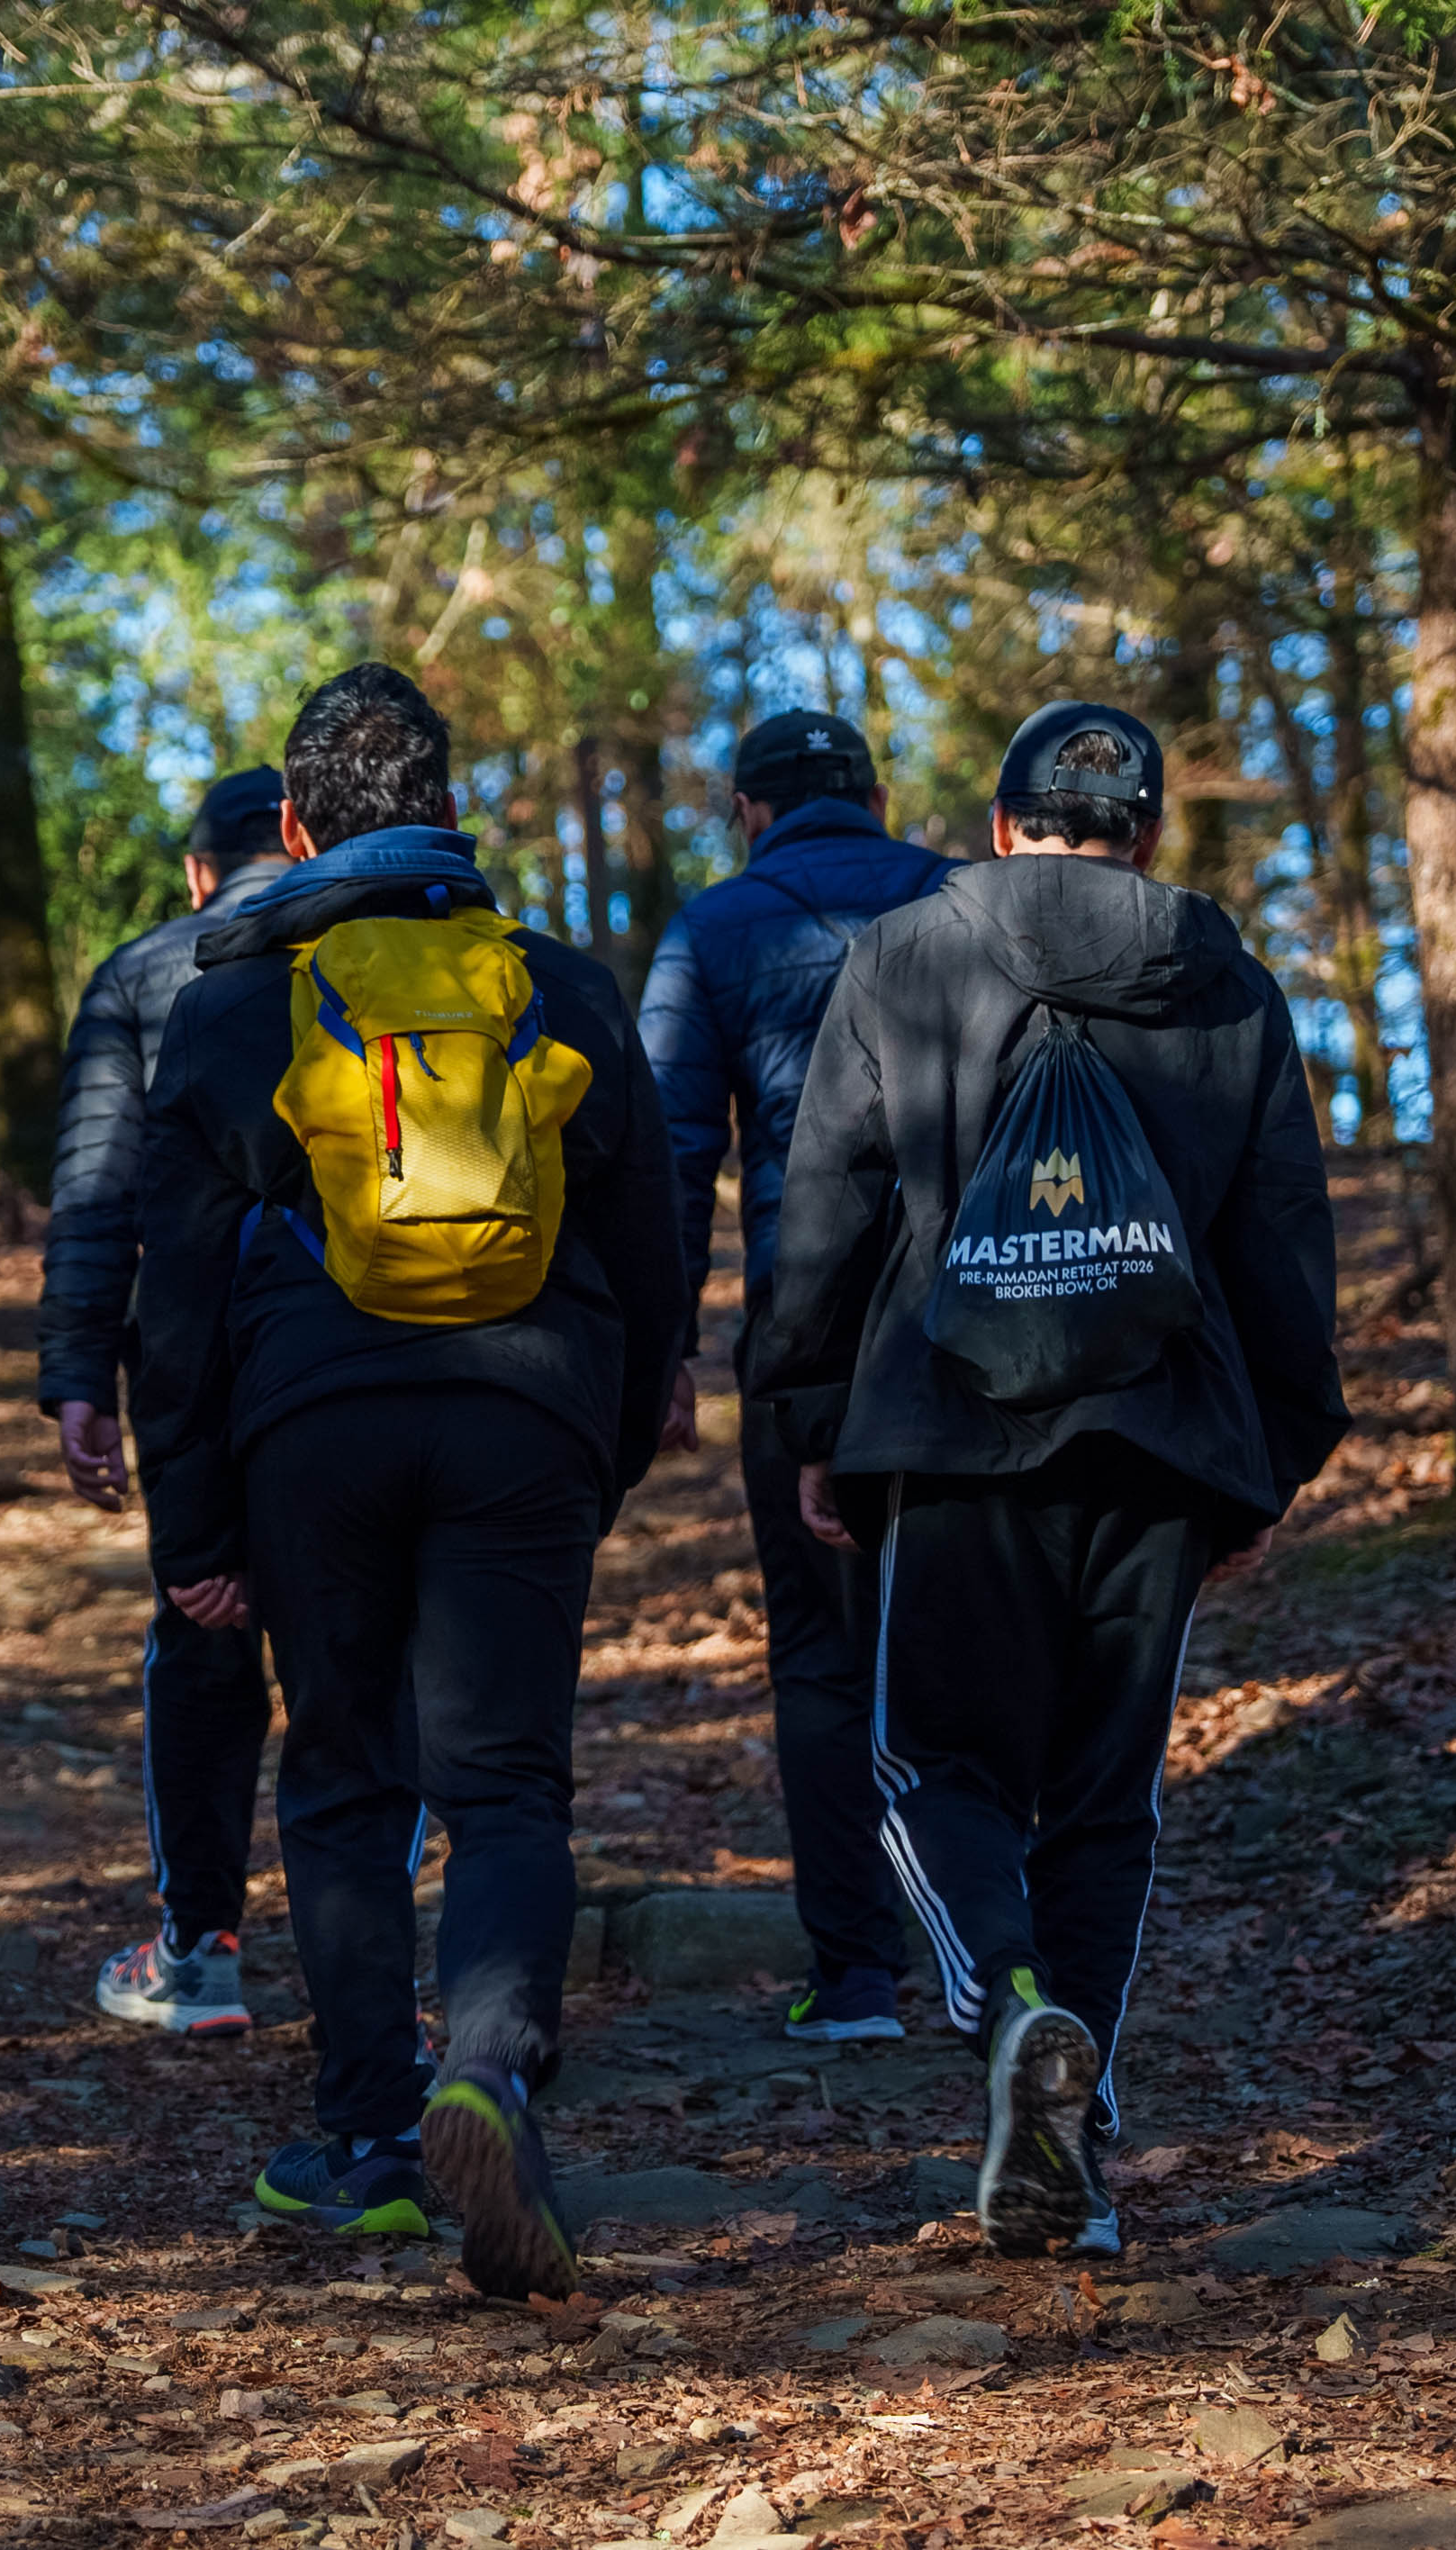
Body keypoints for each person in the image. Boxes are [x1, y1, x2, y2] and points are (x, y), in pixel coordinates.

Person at [758, 701, 1348, 2259]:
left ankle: (1012, 2003)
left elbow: (829, 1199)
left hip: (950, 1432)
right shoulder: (1225, 982)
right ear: (1145, 833)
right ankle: (1074, 2163)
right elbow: (1282, 1234)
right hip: (1158, 1443)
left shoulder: (904, 957)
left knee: (930, 1770)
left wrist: (810, 1413)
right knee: (1103, 1804)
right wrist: (1268, 1462)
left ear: (1002, 825)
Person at [129, 665, 688, 2292]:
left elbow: (174, 1301)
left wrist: (192, 1529)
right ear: (450, 807)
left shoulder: (233, 1002)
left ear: (296, 832)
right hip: (528, 1415)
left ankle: (371, 2144)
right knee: (506, 1787)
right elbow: (653, 1250)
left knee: (344, 1782)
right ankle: (490, 2075)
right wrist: (608, 1440)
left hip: (312, 1425)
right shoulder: (558, 988)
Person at [637, 712, 952, 2045]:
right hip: (975, 1320)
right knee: (971, 1636)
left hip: (803, 1328)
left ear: (749, 813)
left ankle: (859, 1977)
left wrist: (665, 1351)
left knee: (823, 1655)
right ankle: (1000, 1961)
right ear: (874, 799)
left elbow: (667, 1157)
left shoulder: (711, 929)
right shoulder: (964, 899)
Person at [36, 768, 300, 2037]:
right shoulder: (374, 957)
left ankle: (198, 1951)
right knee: (362, 1647)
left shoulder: (142, 974)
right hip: (358, 1356)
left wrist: (80, 1376)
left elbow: (98, 1192)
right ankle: (388, 1978)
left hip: (192, 1363)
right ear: (300, 839)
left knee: (201, 1633)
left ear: (200, 872)